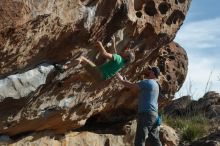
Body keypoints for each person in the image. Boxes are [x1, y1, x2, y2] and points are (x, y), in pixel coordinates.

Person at [116, 66, 162, 146]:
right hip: (154, 115)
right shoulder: (156, 85)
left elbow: (131, 86)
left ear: (152, 73)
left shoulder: (147, 82)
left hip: (146, 114)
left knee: (140, 140)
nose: (148, 72)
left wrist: (121, 79)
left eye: (150, 71)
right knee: (155, 140)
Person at [57, 37, 135, 81]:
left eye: (127, 52)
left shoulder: (118, 59)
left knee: (82, 59)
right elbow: (115, 54)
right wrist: (113, 43)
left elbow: (104, 54)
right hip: (101, 78)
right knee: (81, 75)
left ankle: (64, 68)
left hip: (99, 73)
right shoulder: (122, 63)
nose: (126, 50)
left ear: (126, 56)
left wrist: (100, 45)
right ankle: (63, 82)